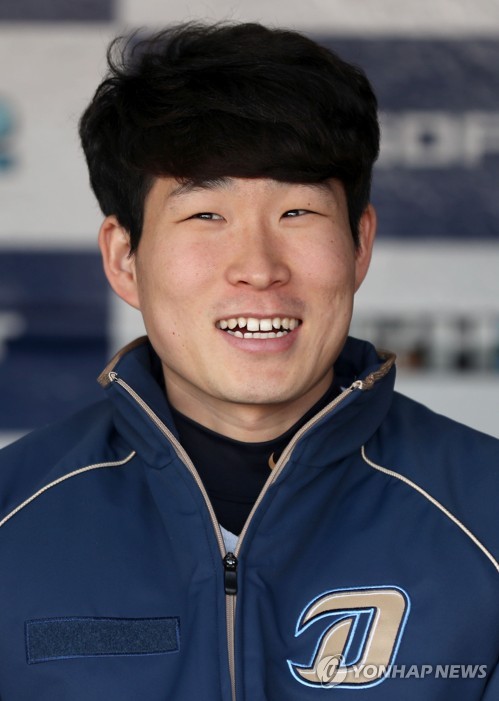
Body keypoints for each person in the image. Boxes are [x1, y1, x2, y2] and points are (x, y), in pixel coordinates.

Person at [0, 22, 497, 701]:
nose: (259, 269)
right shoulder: (14, 517)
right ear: (124, 257)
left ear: (359, 245)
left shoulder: (486, 514)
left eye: (297, 212)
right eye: (206, 215)